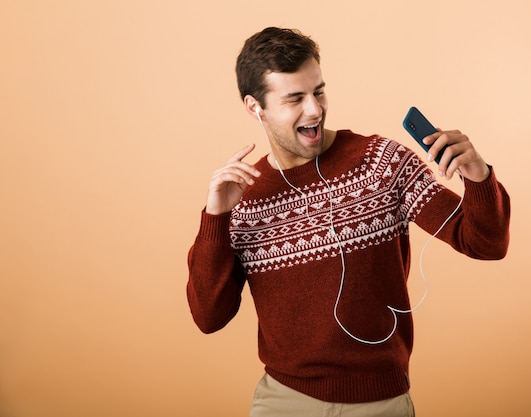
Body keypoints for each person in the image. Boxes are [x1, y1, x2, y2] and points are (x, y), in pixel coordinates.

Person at [186, 27, 510, 417]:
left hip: (381, 401)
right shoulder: (243, 199)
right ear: (255, 107)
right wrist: (216, 219)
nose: (314, 110)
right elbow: (208, 317)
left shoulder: (382, 163)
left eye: (318, 91)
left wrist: (478, 175)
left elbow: (486, 244)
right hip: (284, 401)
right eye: (295, 99)